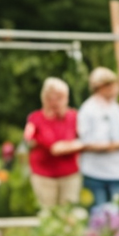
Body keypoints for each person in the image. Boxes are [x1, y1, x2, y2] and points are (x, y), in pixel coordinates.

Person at [77, 67, 119, 216]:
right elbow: (92, 143)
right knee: (99, 219)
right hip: (95, 173)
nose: (116, 88)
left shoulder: (116, 108)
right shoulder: (88, 109)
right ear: (101, 87)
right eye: (112, 84)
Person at [22, 76, 84, 210]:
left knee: (68, 213)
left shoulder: (74, 116)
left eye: (60, 97)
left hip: (70, 174)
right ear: (44, 98)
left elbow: (86, 139)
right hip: (43, 174)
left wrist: (65, 147)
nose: (55, 102)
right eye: (51, 97)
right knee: (48, 213)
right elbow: (27, 140)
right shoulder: (35, 118)